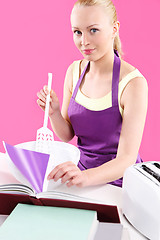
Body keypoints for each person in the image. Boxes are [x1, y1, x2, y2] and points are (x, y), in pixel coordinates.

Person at [37, 0, 148, 188]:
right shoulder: (74, 71)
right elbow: (67, 134)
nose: (84, 41)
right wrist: (54, 112)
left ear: (114, 29)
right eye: (77, 32)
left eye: (93, 30)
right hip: (80, 177)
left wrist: (87, 177)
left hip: (120, 184)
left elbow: (127, 159)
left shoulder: (133, 84)